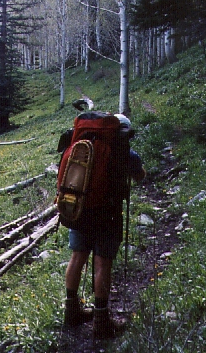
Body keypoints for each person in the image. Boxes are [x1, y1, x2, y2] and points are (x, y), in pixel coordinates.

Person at [63, 113, 146, 339]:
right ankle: (101, 321)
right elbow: (140, 177)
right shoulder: (125, 153)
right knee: (103, 263)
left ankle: (71, 312)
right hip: (107, 213)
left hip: (79, 208)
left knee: (77, 257)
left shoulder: (82, 145)